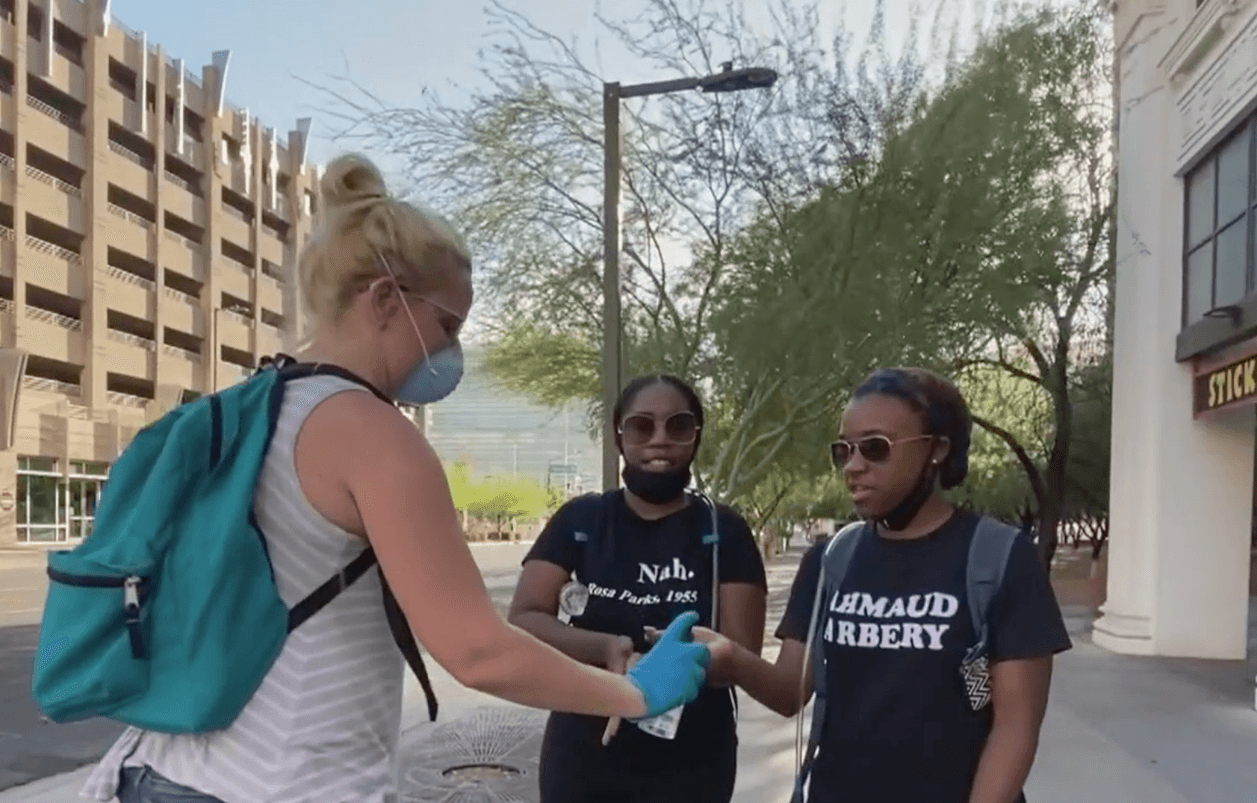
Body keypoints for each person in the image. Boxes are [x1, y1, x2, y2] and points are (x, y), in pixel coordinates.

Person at [79, 154, 712, 803]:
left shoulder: (243, 409)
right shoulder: (373, 435)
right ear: (385, 300)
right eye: (447, 325)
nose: (449, 351)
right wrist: (635, 693)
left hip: (154, 771)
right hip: (285, 787)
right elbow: (477, 651)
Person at [694, 367, 1071, 803]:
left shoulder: (999, 558)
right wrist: (732, 659)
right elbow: (789, 692)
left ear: (937, 449)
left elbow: (1015, 728)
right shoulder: (830, 560)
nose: (854, 466)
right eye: (844, 450)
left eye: (876, 448)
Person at [509, 375, 768, 803]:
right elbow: (524, 618)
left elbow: (742, 654)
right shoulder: (581, 520)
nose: (659, 439)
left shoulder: (725, 530)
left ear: (696, 437)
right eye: (641, 426)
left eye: (678, 425)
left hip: (694, 763)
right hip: (582, 755)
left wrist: (672, 663)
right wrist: (608, 648)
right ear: (619, 437)